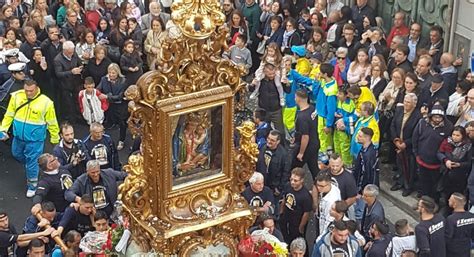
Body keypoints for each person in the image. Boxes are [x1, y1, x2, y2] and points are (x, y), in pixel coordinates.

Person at [0, 80, 59, 197]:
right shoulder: (16, 96)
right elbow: (9, 114)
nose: (28, 93)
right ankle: (36, 167)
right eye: (26, 90)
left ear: (37, 88)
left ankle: (32, 185)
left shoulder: (46, 102)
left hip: (35, 140)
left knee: (31, 162)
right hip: (18, 137)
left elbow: (52, 122)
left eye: (31, 91)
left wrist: (55, 138)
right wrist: (3, 129)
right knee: (16, 154)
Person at [289, 63, 338, 162]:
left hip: (324, 117)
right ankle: (327, 156)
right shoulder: (324, 81)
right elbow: (315, 93)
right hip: (319, 112)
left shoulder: (331, 90)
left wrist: (328, 124)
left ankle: (323, 159)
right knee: (323, 137)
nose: (318, 73)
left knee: (323, 137)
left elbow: (331, 108)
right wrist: (316, 82)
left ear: (325, 74)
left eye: (320, 72)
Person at [413, 105, 453, 200]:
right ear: (431, 116)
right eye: (435, 116)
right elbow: (415, 138)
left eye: (440, 117)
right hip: (422, 160)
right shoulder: (422, 123)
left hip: (436, 163)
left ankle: (433, 203)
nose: (437, 119)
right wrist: (416, 153)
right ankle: (423, 201)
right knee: (423, 182)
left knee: (434, 185)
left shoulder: (449, 127)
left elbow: (448, 146)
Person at [390, 93, 422, 196]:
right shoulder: (399, 110)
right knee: (399, 164)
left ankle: (408, 186)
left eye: (408, 102)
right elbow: (393, 125)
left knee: (409, 167)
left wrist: (405, 144)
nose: (406, 104)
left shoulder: (418, 116)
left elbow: (416, 134)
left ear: (414, 104)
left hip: (409, 147)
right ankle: (400, 182)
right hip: (398, 143)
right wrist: (396, 140)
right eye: (405, 101)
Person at [437, 126, 472, 212]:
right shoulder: (447, 142)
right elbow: (439, 153)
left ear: (462, 136)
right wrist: (446, 161)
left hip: (459, 176)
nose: (455, 137)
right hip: (446, 173)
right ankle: (446, 207)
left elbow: (469, 163)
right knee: (446, 193)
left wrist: (459, 164)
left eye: (457, 135)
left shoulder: (468, 146)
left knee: (457, 195)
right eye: (453, 134)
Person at [247, 64, 284, 135]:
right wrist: (252, 84)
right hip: (263, 110)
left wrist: (287, 84)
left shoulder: (278, 79)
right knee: (263, 131)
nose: (272, 75)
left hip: (276, 110)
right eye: (270, 74)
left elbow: (287, 90)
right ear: (265, 72)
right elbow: (251, 90)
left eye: (273, 73)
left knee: (281, 132)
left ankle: (282, 145)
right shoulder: (260, 79)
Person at [279, 168, 312, 245]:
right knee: (285, 236)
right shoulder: (288, 186)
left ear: (302, 180)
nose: (292, 182)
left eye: (295, 180)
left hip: (297, 220)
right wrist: (281, 212)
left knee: (298, 240)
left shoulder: (305, 196)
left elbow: (306, 213)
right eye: (291, 179)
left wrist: (301, 226)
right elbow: (285, 198)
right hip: (286, 216)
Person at [291, 89, 319, 178]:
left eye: (295, 97)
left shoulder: (302, 117)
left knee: (294, 168)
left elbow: (305, 136)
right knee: (313, 167)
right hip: (315, 142)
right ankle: (320, 183)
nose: (294, 99)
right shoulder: (312, 108)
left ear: (298, 99)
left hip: (307, 146)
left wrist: (301, 153)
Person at [54, 40, 84, 123]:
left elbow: (79, 63)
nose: (71, 54)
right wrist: (71, 72)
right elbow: (58, 74)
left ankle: (78, 117)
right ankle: (70, 120)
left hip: (76, 83)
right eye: (69, 52)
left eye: (72, 52)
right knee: (68, 103)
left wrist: (80, 68)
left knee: (77, 101)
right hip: (65, 85)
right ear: (64, 51)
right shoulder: (58, 60)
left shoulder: (74, 54)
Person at [256, 130, 290, 202]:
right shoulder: (263, 148)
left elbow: (286, 173)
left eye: (272, 140)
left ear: (278, 142)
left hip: (274, 187)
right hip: (262, 183)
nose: (269, 141)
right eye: (268, 138)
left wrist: (279, 188)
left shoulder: (283, 155)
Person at [325, 154, 358, 219]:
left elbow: (352, 198)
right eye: (332, 165)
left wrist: (339, 208)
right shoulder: (324, 173)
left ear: (342, 163)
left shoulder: (349, 179)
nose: (334, 168)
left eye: (337, 166)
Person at [313, 171, 341, 236]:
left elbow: (328, 222)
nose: (319, 188)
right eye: (318, 185)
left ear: (329, 183)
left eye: (322, 186)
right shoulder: (330, 188)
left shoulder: (331, 201)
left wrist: (321, 237)